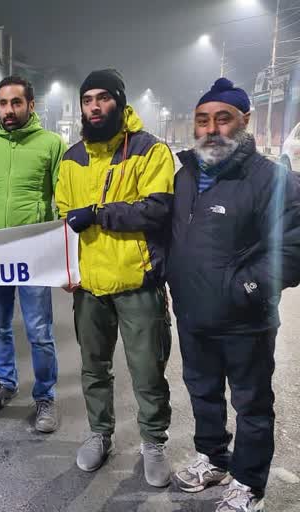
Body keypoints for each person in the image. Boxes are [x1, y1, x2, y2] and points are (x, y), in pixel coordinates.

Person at [167, 78, 300, 511]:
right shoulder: (185, 174)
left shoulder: (272, 180)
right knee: (202, 393)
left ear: (245, 121)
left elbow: (292, 248)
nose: (212, 128)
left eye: (223, 119)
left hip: (246, 319)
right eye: (203, 120)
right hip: (193, 316)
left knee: (252, 404)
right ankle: (213, 458)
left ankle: (249, 482)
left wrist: (245, 288)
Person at [54, 69, 174, 487]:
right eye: (88, 99)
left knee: (147, 369)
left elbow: (157, 209)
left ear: (120, 102)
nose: (94, 107)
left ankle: (154, 442)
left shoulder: (149, 151)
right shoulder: (71, 158)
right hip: (88, 287)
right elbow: (64, 218)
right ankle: (99, 434)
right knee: (93, 367)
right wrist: (66, 270)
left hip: (138, 282)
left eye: (103, 98)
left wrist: (102, 214)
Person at [0, 75, 65, 432]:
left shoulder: (52, 145)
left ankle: (45, 397)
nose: (9, 110)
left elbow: (63, 202)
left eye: (16, 103)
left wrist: (63, 255)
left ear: (31, 105)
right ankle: (6, 384)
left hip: (34, 254)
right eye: (3, 103)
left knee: (39, 330)